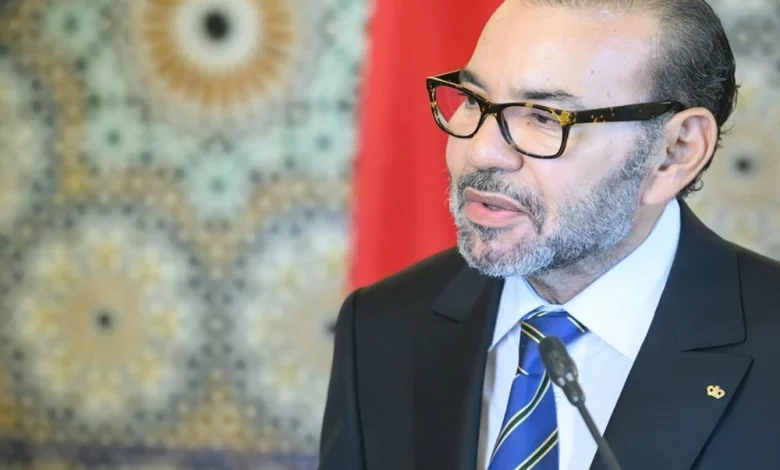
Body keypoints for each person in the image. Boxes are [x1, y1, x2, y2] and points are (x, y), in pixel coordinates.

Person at [318, 0, 780, 469]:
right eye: (473, 100)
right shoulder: (382, 325)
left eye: (543, 117)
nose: (480, 152)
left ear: (675, 152)